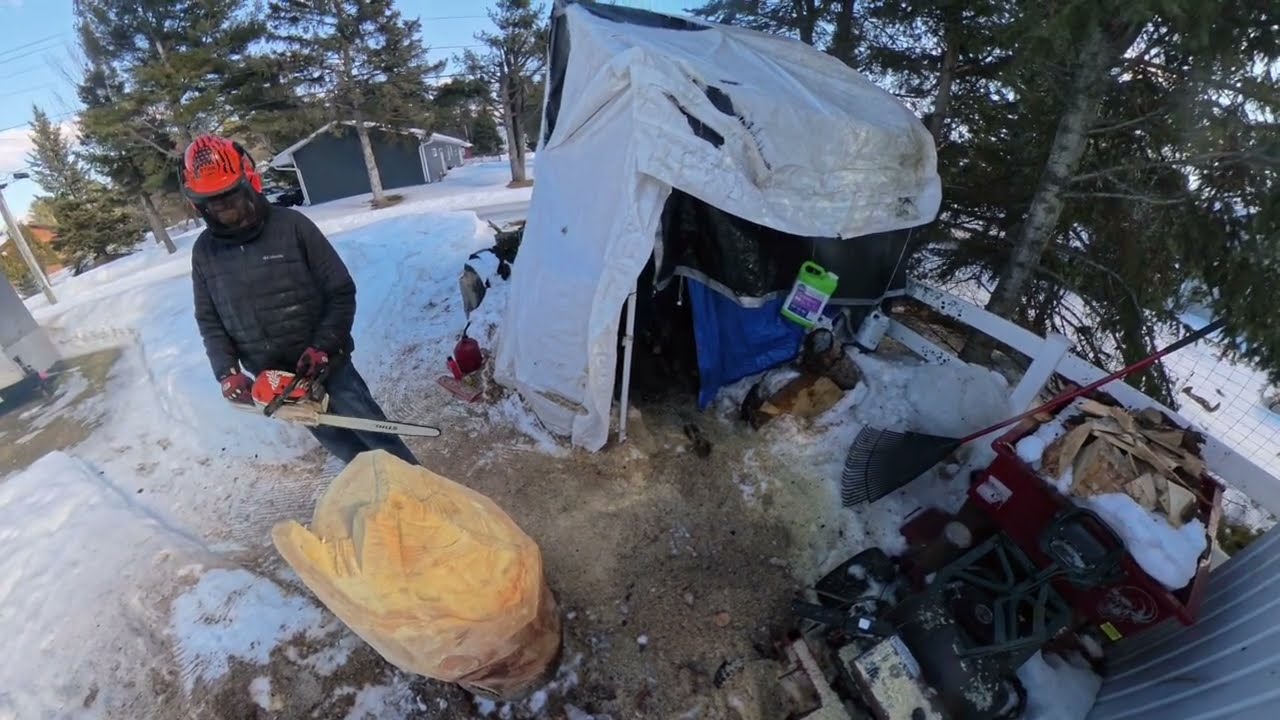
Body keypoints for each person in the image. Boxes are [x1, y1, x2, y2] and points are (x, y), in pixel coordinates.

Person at [184, 135, 419, 466]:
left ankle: (418, 488)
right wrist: (227, 371)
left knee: (380, 440)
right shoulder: (204, 252)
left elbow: (340, 290)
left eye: (229, 196)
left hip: (327, 365)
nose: (222, 208)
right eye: (212, 202)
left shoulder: (292, 226)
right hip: (278, 381)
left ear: (249, 183)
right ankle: (376, 493)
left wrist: (323, 346)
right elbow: (210, 320)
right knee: (346, 451)